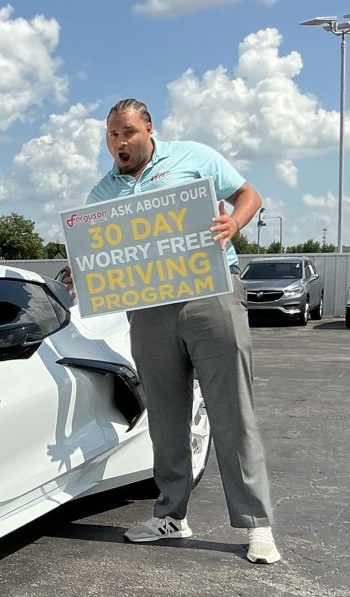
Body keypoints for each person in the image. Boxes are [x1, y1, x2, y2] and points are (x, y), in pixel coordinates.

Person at [71, 98, 280, 564]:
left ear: (148, 129)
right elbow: (94, 248)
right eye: (111, 135)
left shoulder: (194, 158)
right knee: (165, 418)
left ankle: (255, 524)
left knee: (232, 412)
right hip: (148, 309)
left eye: (126, 132)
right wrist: (79, 269)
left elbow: (250, 195)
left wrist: (234, 222)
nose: (119, 143)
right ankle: (171, 516)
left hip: (211, 295)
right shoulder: (103, 192)